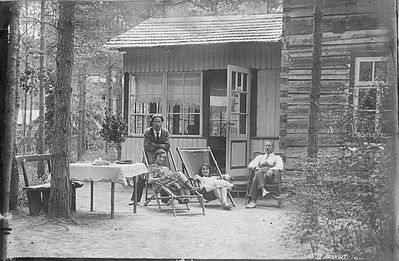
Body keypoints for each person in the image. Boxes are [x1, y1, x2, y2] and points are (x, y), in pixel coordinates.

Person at [129, 114, 170, 205]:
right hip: (149, 156)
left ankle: (165, 199)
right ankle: (135, 199)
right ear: (152, 123)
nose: (157, 124)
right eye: (155, 121)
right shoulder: (147, 132)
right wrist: (160, 147)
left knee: (165, 174)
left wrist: (155, 145)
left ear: (162, 123)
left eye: (159, 122)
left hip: (161, 158)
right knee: (141, 176)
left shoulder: (165, 132)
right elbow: (147, 147)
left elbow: (167, 146)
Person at [245, 140, 284, 209]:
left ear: (273, 147)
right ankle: (263, 190)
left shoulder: (276, 157)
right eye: (266, 145)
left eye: (269, 146)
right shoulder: (260, 157)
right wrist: (256, 167)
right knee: (258, 172)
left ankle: (253, 201)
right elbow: (250, 165)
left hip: (270, 177)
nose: (267, 147)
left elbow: (280, 167)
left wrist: (272, 169)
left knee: (257, 175)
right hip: (260, 175)